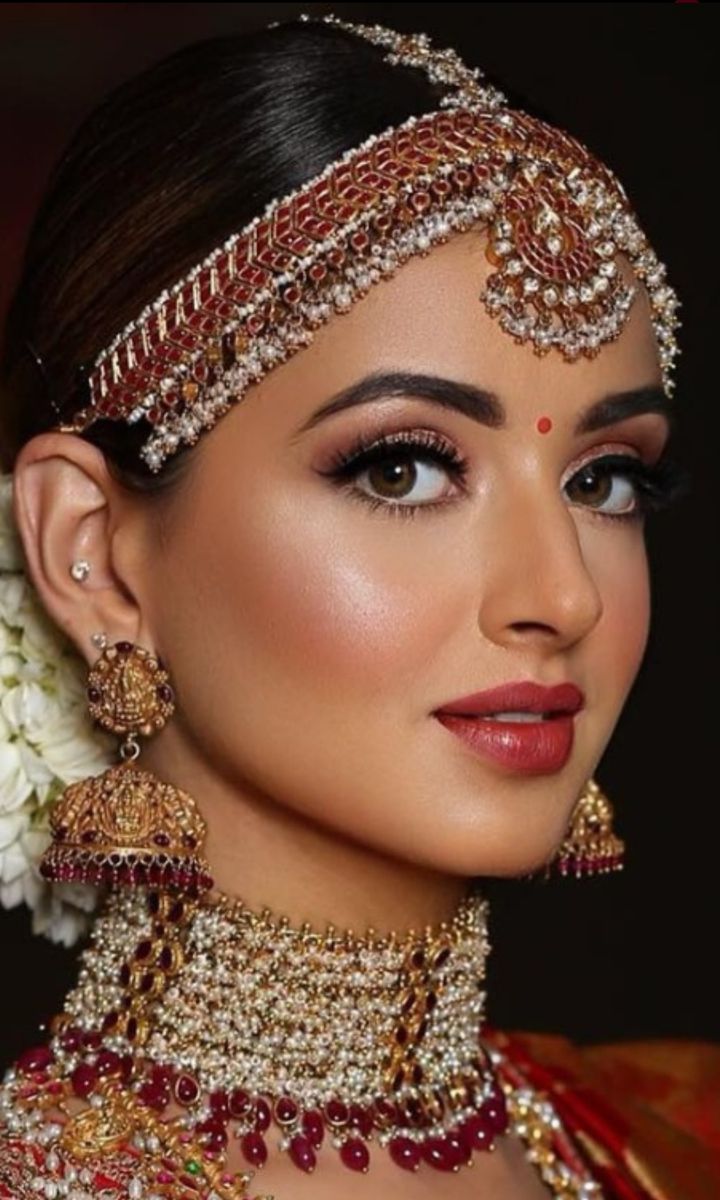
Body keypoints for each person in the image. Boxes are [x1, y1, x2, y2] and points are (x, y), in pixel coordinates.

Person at [0, 11, 717, 1199]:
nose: (562, 594)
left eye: (607, 479)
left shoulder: (660, 1136)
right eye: (402, 469)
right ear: (94, 555)